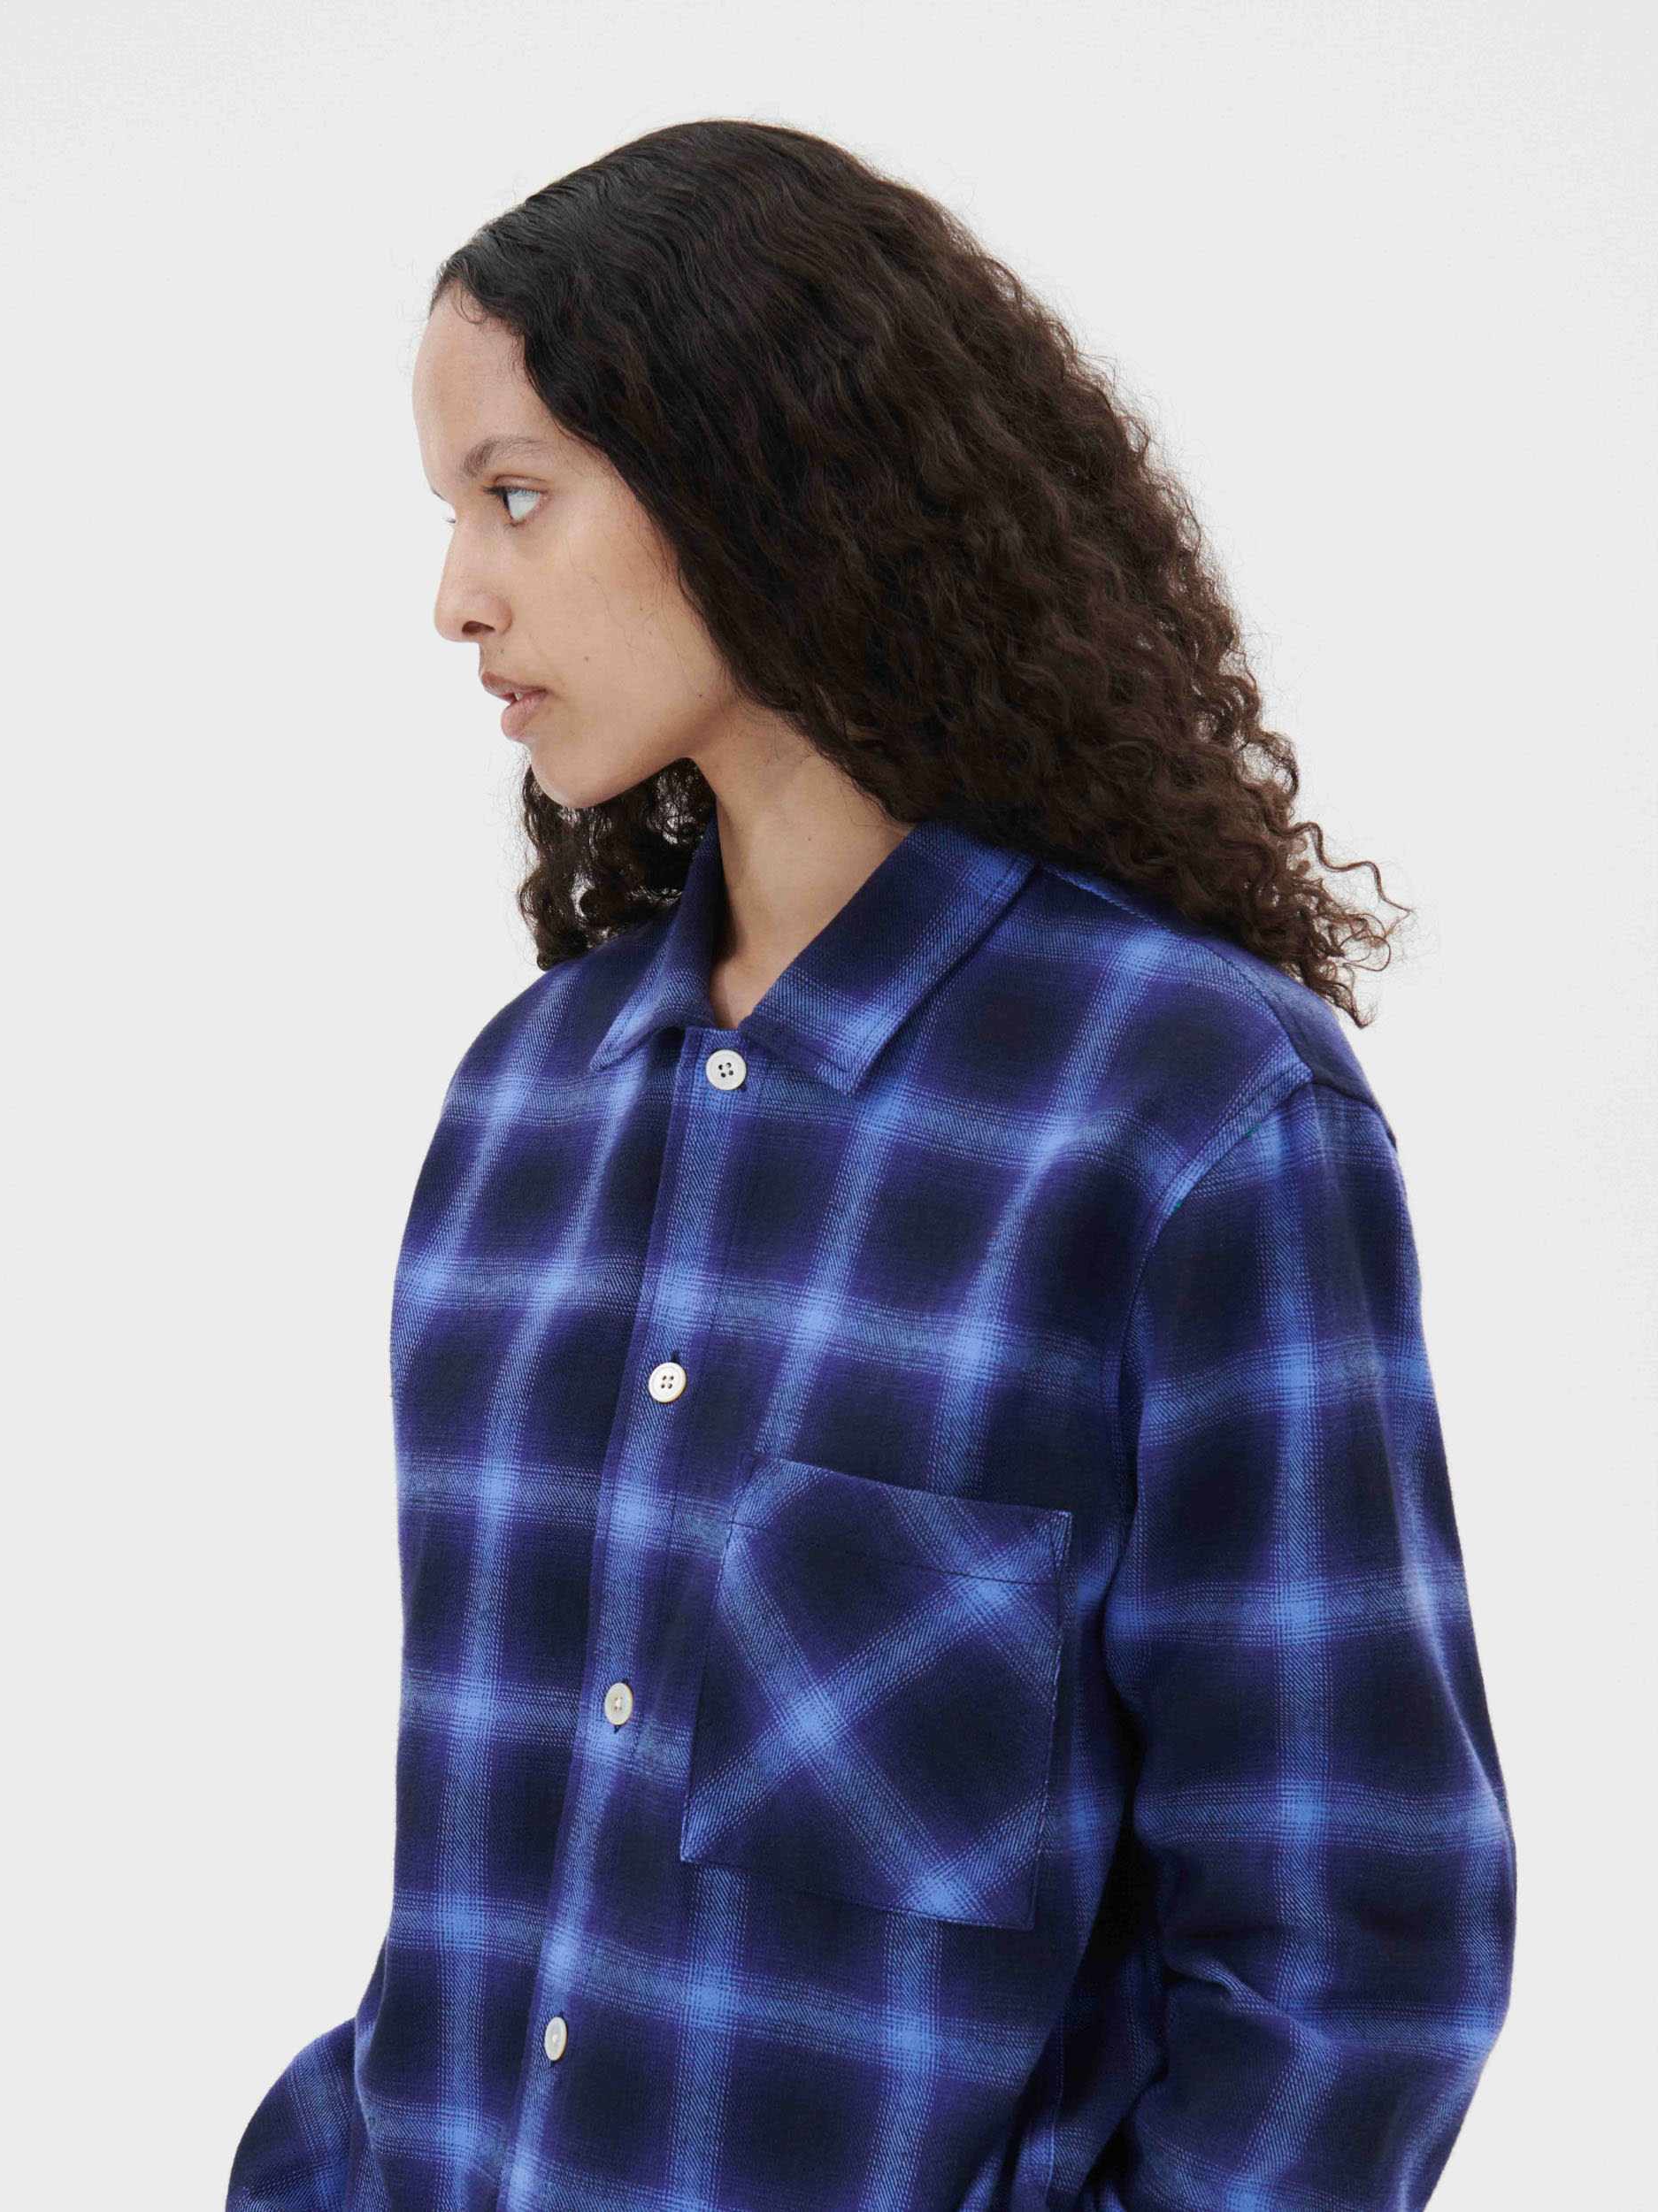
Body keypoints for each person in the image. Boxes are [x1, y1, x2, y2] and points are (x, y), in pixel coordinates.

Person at [226, 118, 1515, 2212]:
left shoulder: (1189, 1113)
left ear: (751, 475)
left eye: (516, 495)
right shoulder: (523, 1111)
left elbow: (1355, 1949)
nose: (456, 595)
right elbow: (480, 1900)